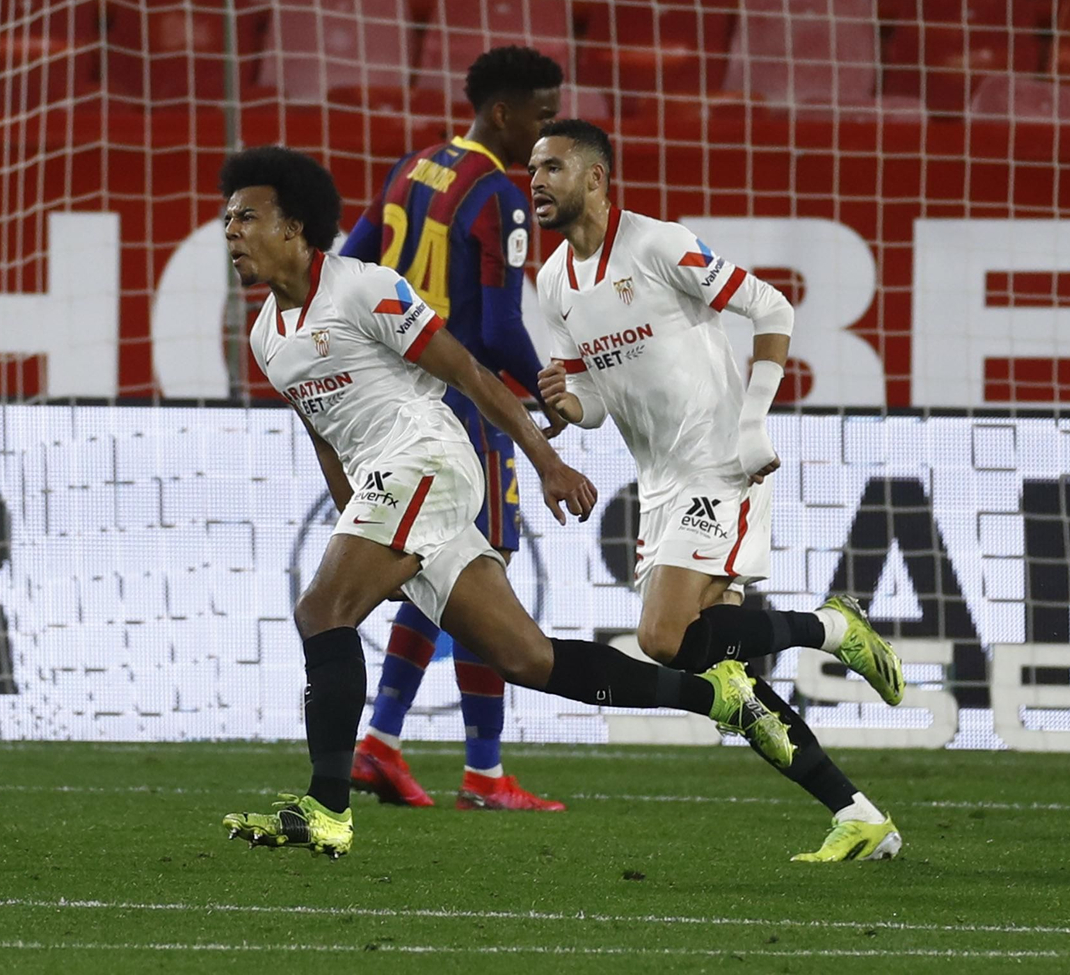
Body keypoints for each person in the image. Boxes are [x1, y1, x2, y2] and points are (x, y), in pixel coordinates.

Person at [217, 145, 790, 859]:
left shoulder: (364, 289)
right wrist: (356, 524)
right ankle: (719, 700)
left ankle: (326, 806)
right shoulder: (268, 335)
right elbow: (324, 433)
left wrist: (546, 460)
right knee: (527, 658)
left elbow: (470, 371)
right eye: (227, 218)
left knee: (319, 612)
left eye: (247, 216)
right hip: (387, 486)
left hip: (427, 459)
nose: (232, 230)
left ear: (296, 228)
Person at [531, 119, 905, 863]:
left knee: (660, 637)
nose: (537, 182)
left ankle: (834, 629)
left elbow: (774, 308)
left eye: (554, 168)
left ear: (598, 180)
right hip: (660, 481)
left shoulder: (660, 245)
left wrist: (752, 422)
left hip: (718, 462)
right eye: (533, 170)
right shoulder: (553, 283)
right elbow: (596, 399)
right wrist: (568, 404)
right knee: (716, 673)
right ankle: (859, 813)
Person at [338, 46, 566, 812]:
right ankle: (483, 771)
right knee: (481, 571)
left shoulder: (412, 168)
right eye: (540, 115)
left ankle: (381, 744)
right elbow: (499, 329)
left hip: (394, 407)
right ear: (502, 112)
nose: (545, 133)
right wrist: (549, 392)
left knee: (430, 568)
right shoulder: (496, 194)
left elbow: (347, 265)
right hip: (462, 410)